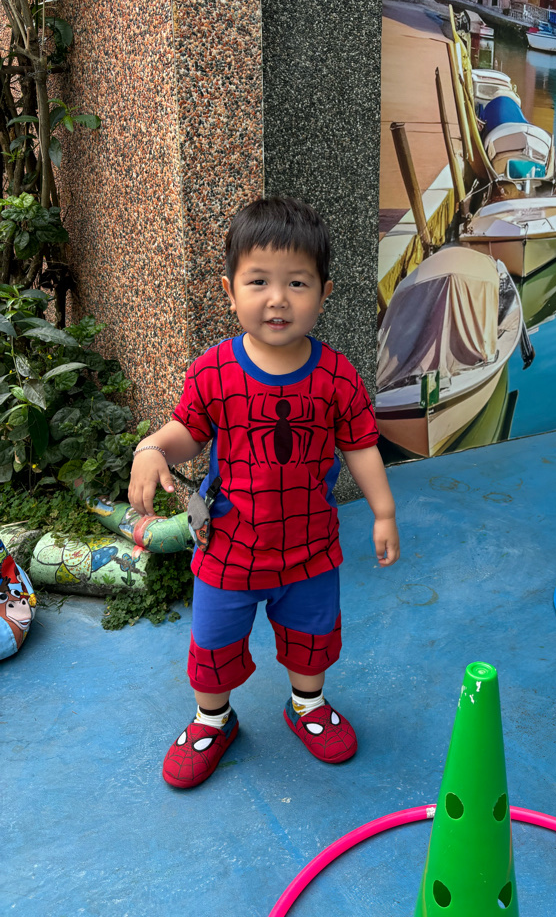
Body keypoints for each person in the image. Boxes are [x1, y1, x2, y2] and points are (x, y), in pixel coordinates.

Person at [128, 197, 400, 789]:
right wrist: (152, 448)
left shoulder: (337, 376)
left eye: (297, 283)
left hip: (310, 549)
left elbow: (360, 445)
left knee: (313, 637)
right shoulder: (214, 371)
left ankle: (308, 705)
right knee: (213, 641)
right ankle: (212, 719)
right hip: (228, 548)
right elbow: (188, 431)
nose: (278, 299)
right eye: (259, 281)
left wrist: (383, 511)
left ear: (324, 293)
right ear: (230, 291)